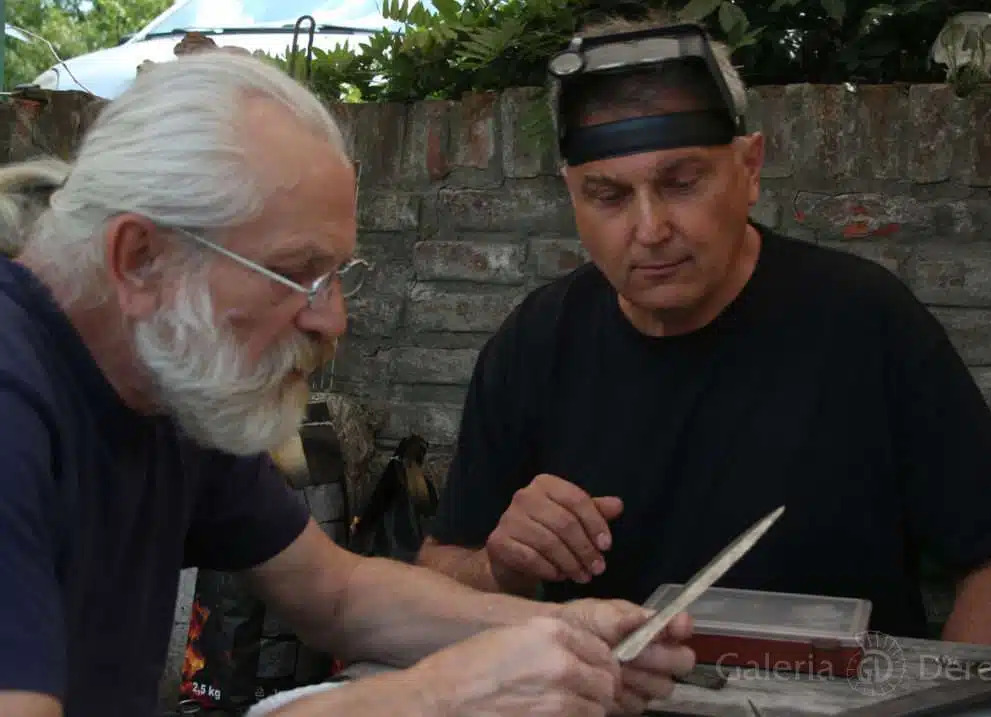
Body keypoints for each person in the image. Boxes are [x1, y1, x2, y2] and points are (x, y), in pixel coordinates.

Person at [0, 51, 695, 717]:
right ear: (140, 259)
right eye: (294, 273)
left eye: (336, 275)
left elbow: (335, 592)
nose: (333, 319)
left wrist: (564, 635)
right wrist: (432, 698)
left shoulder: (165, 368)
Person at [416, 14, 991, 648]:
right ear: (571, 196)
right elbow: (438, 573)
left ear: (749, 169)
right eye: (608, 196)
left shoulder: (864, 321)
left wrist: (950, 690)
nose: (650, 229)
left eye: (681, 183)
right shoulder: (535, 343)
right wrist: (502, 567)